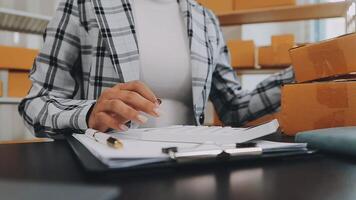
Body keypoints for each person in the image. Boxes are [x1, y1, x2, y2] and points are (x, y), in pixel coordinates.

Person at [18, 0, 294, 138]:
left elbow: (233, 107)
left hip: (191, 167)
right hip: (109, 166)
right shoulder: (84, 5)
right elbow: (35, 104)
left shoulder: (205, 20)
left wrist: (299, 75)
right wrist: (88, 114)